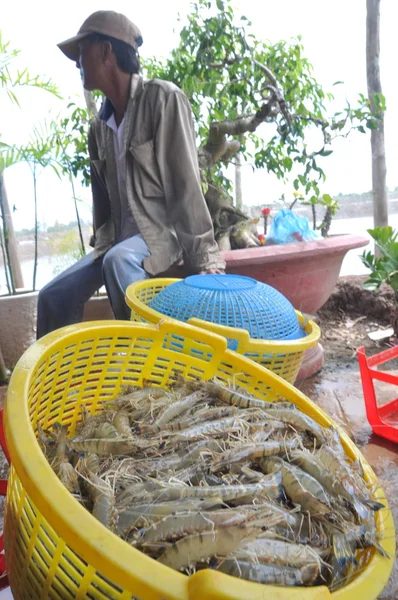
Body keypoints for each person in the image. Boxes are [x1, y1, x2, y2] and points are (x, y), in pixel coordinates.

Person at [37, 10, 225, 339]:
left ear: (107, 52)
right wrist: (101, 242)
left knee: (118, 261)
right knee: (52, 295)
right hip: (117, 242)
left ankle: (150, 364)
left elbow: (186, 185)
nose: (77, 63)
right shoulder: (98, 128)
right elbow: (102, 202)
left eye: (82, 52)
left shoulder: (163, 100)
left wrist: (204, 259)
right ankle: (54, 377)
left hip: (161, 236)